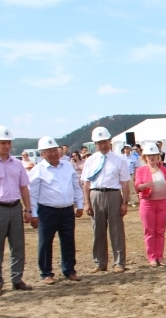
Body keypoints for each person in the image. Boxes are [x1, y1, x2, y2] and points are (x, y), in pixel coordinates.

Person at [28, 136, 84, 285]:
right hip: (47, 211)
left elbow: (76, 186)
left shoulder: (67, 166)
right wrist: (33, 213)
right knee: (46, 242)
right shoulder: (38, 170)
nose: (53, 154)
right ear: (42, 154)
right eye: (48, 151)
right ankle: (46, 272)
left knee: (68, 240)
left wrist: (79, 204)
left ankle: (69, 269)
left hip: (67, 210)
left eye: (54, 150)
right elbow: (32, 194)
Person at [81, 126, 130, 273]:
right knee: (98, 229)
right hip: (95, 194)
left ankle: (119, 262)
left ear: (110, 141)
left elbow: (125, 183)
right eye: (99, 143)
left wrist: (124, 202)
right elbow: (86, 183)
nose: (102, 145)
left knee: (116, 230)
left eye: (104, 142)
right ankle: (100, 262)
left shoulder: (119, 160)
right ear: (95, 144)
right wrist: (87, 202)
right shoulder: (90, 160)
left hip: (113, 194)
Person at [0, 126, 33, 295]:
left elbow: (24, 187)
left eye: (8, 143)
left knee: (18, 245)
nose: (6, 146)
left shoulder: (17, 164)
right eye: (3, 143)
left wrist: (28, 209)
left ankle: (17, 279)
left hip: (15, 207)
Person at [135, 142, 166, 267]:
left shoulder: (164, 170)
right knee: (149, 231)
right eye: (149, 155)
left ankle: (160, 256)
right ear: (145, 157)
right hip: (148, 204)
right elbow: (137, 186)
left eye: (153, 155)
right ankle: (152, 257)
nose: (151, 157)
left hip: (163, 203)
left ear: (158, 156)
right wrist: (143, 186)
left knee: (160, 231)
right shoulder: (141, 170)